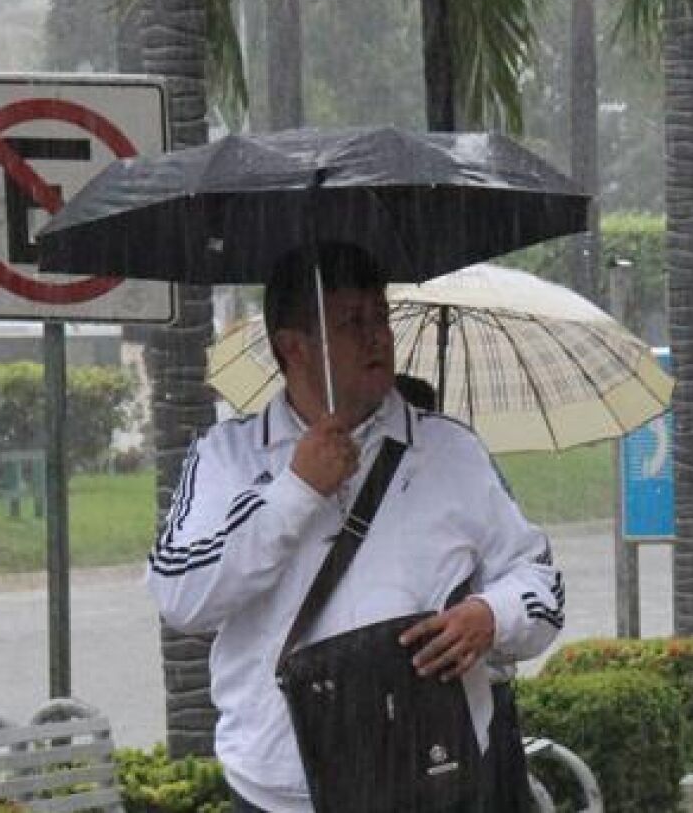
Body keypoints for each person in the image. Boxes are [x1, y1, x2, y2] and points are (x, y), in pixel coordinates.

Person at [149, 242, 565, 813]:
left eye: (380, 317)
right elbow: (181, 596)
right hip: (283, 794)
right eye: (351, 322)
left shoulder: (450, 450)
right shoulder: (227, 457)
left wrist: (492, 617)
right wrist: (295, 492)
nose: (377, 337)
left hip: (431, 780)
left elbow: (540, 581)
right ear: (293, 347)